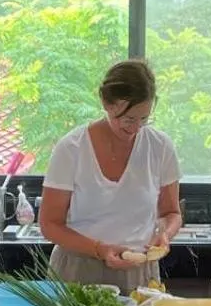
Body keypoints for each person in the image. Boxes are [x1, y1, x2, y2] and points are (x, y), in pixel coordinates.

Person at [39, 59, 182, 293]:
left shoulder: (160, 147)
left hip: (139, 272)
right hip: (78, 270)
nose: (135, 128)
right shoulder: (72, 149)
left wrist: (164, 234)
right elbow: (49, 224)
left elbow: (171, 212)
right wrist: (100, 249)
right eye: (127, 119)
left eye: (144, 119)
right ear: (106, 103)